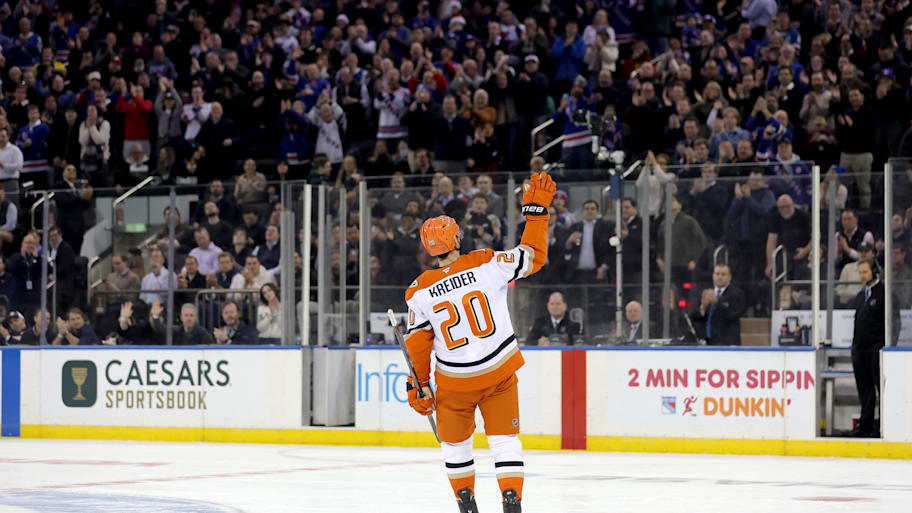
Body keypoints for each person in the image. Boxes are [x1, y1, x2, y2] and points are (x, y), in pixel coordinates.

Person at [403, 171, 555, 513]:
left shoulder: (419, 290)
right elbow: (532, 256)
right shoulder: (486, 262)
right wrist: (536, 214)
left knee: (455, 447)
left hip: (455, 383)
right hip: (498, 374)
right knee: (505, 442)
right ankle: (512, 503)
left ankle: (466, 505)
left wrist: (419, 384)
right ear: (456, 239)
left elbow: (418, 345)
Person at [849, 258, 887, 437]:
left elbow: (893, 321)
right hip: (860, 349)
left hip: (876, 348)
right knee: (865, 389)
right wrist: (854, 347)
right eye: (860, 272)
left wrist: (884, 346)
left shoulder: (884, 293)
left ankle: (881, 426)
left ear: (874, 271)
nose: (862, 276)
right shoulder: (860, 295)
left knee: (881, 388)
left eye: (865, 272)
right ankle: (865, 425)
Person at [691, 264, 746, 346]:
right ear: (713, 276)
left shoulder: (737, 293)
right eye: (717, 274)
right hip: (707, 343)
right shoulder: (706, 292)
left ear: (729, 277)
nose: (720, 277)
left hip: (728, 344)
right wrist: (703, 308)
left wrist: (718, 302)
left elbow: (733, 314)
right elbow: (694, 317)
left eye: (723, 274)